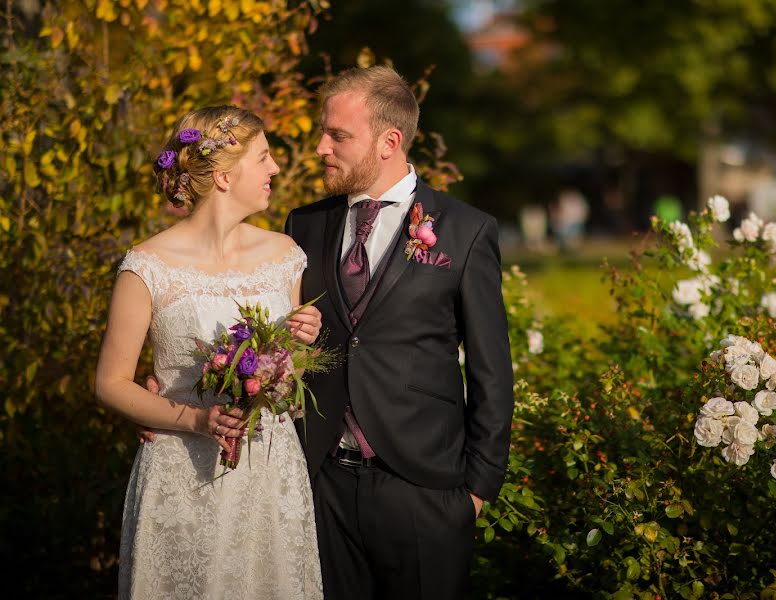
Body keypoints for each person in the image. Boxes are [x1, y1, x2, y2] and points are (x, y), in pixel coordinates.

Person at [284, 65, 514, 599]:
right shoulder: (304, 224)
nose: (320, 147)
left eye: (337, 135)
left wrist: (476, 490)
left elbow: (491, 369)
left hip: (423, 490)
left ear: (390, 141)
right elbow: (272, 332)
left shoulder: (466, 229)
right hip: (322, 485)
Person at [95, 106, 324, 598]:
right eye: (263, 157)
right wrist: (194, 420)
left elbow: (293, 379)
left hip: (270, 471)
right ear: (223, 176)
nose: (275, 169)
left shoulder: (285, 255)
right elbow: (110, 382)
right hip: (181, 474)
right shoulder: (147, 266)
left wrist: (302, 341)